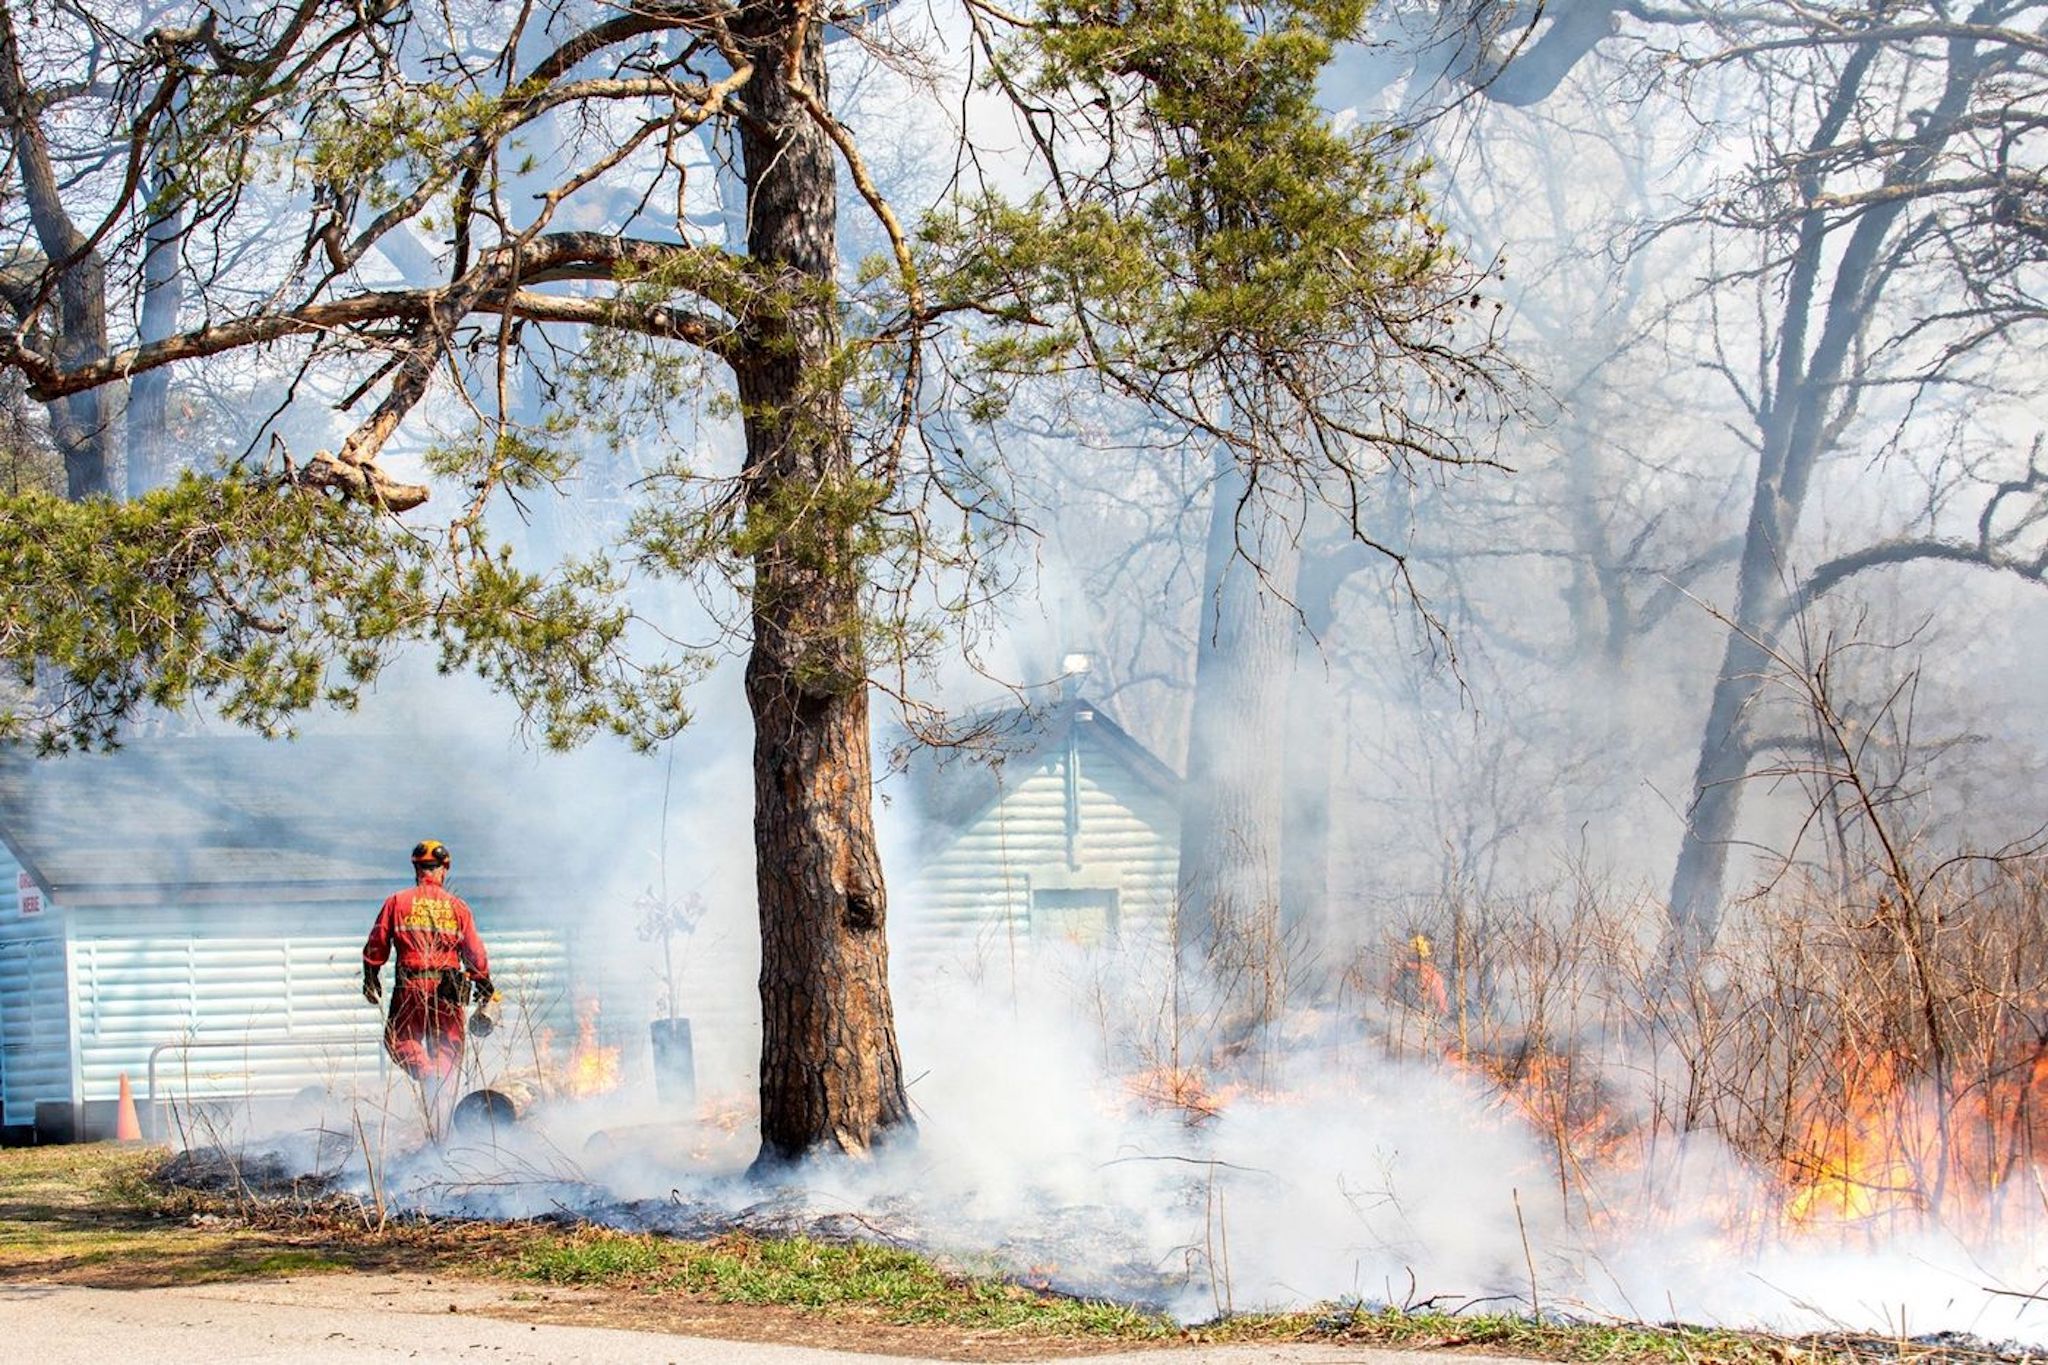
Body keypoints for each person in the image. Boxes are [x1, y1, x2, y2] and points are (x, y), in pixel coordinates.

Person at [362, 839, 494, 1082]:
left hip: (410, 989)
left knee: (400, 1040)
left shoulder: (397, 902)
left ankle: (428, 1076)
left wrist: (370, 975)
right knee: (448, 1048)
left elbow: (377, 942)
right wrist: (483, 982)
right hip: (448, 991)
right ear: (444, 869)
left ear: (416, 870)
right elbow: (474, 952)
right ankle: (439, 1089)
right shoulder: (458, 907)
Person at [1391, 933, 1449, 1017]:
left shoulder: (1399, 972)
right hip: (1422, 1019)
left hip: (1397, 1016)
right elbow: (1441, 1003)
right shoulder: (1432, 975)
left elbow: (1385, 994)